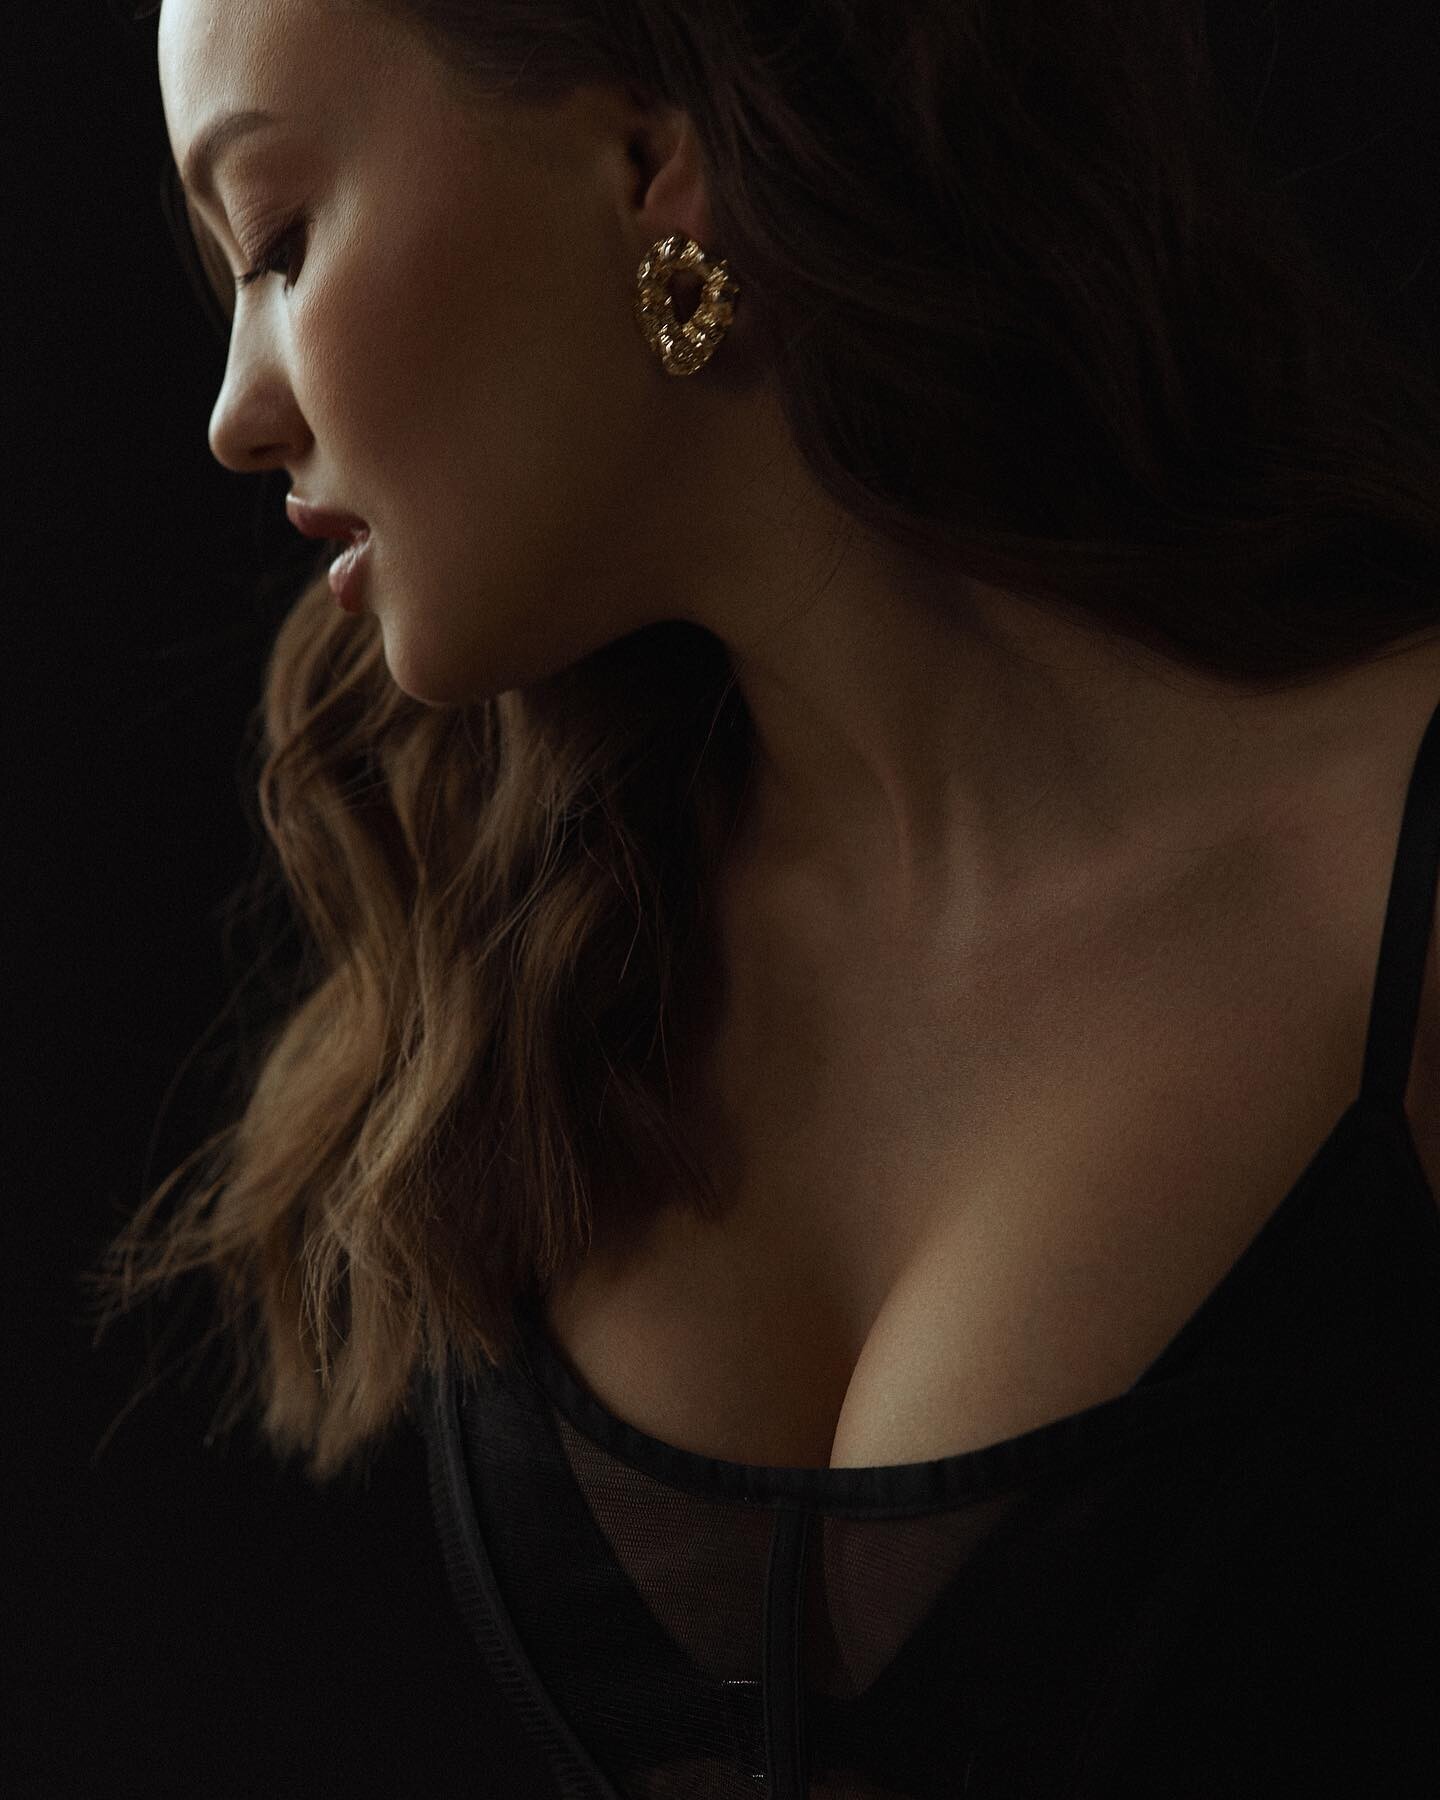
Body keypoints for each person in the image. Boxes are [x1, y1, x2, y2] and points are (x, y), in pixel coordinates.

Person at [92, 1, 1440, 1790]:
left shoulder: (1391, 878)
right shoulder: (554, 945)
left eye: (275, 241)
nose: (233, 416)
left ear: (653, 164)